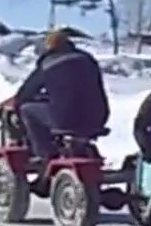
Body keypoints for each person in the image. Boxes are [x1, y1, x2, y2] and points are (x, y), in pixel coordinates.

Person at [13, 28, 110, 162]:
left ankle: (43, 153)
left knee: (27, 110)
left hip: (66, 118)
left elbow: (25, 93)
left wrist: (18, 105)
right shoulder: (87, 59)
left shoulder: (49, 63)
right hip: (98, 116)